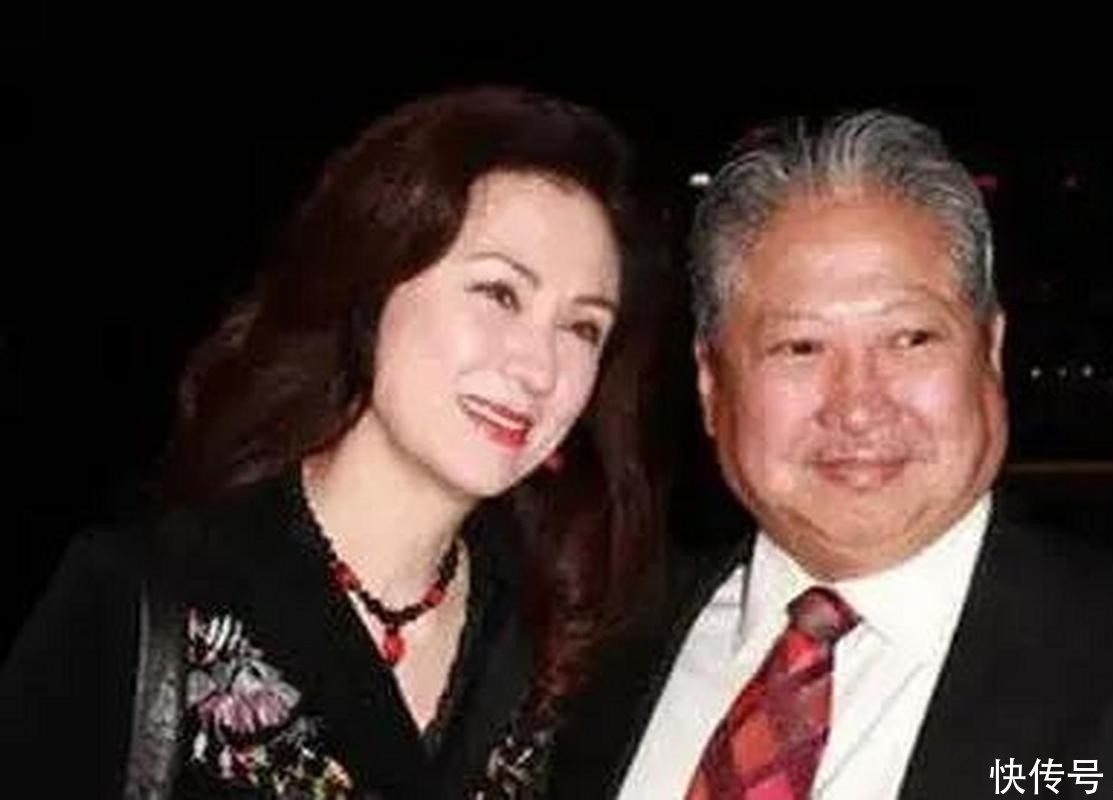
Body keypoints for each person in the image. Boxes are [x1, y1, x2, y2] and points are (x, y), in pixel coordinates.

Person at [547, 109, 1113, 799]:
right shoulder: (581, 660)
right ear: (711, 383)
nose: (858, 405)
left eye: (911, 338)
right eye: (800, 347)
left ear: (991, 352)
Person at [0, 86, 666, 799]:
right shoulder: (150, 597)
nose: (538, 368)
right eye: (499, 293)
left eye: (582, 327)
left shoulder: (557, 648)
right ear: (375, 284)